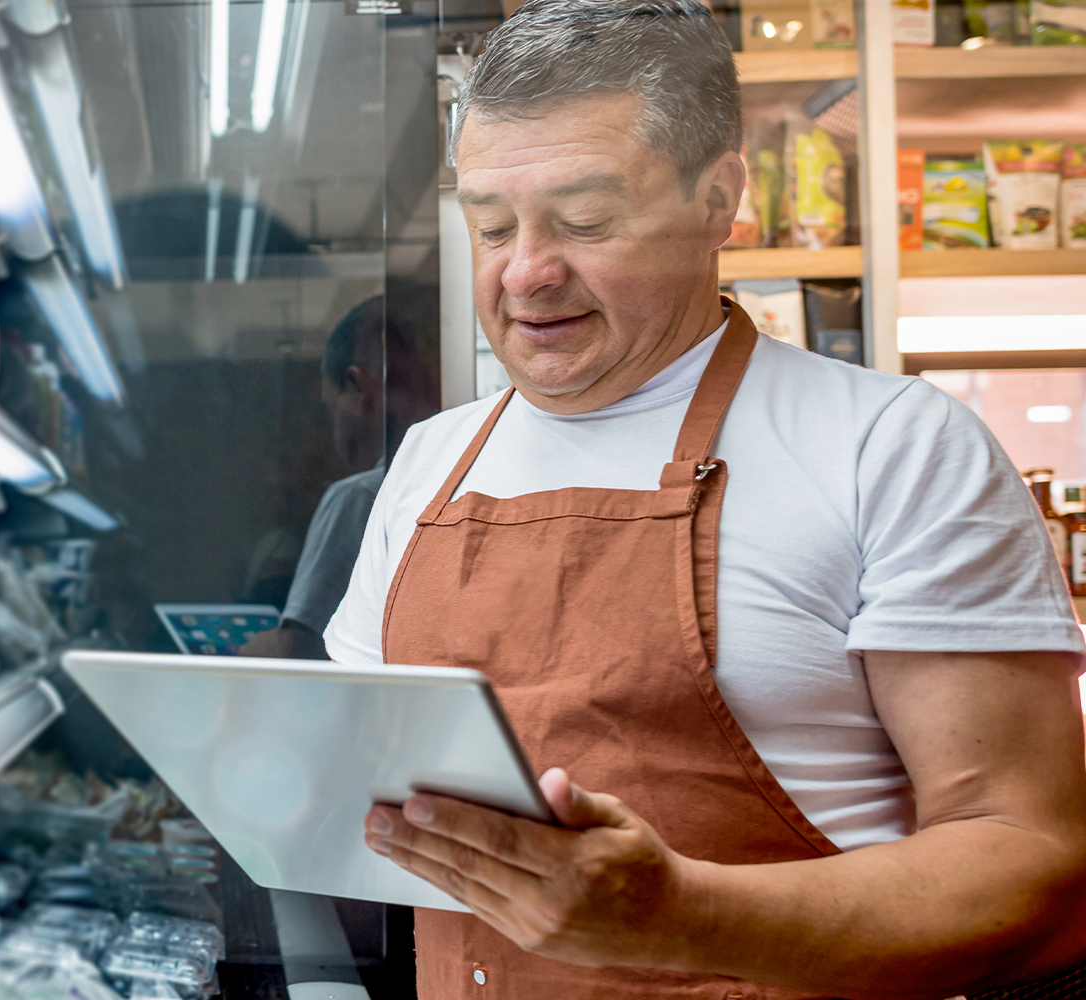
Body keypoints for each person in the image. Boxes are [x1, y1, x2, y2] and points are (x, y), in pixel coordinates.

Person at [323, 1, 1086, 996]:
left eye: (585, 220)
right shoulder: (430, 464)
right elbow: (349, 789)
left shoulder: (891, 447)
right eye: (491, 224)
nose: (524, 272)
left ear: (717, 196)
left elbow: (1033, 866)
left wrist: (683, 917)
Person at [241, 289, 439, 659]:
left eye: (329, 409)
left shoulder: (361, 497)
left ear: (358, 388)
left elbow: (298, 651)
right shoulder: (463, 477)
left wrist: (255, 649)